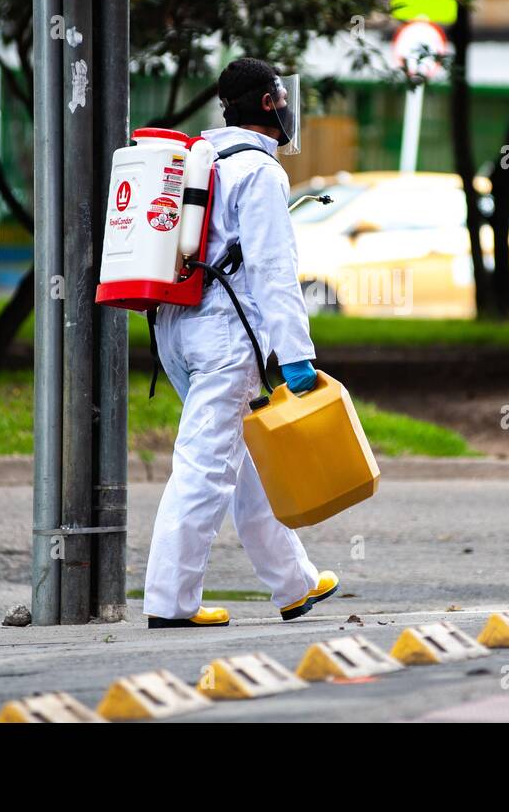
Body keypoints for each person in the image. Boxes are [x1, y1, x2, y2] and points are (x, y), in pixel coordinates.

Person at [143, 57, 337, 628]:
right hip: (225, 339)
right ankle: (170, 603)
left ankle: (293, 583)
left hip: (177, 328)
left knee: (245, 461)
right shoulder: (260, 171)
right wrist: (297, 355)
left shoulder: (199, 156)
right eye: (283, 98)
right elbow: (274, 269)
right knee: (205, 467)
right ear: (272, 104)